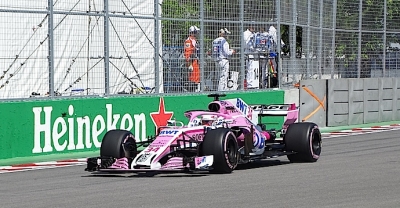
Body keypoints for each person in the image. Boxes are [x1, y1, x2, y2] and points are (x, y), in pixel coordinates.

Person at [184, 25, 201, 91]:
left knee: (197, 77)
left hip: (195, 60)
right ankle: (193, 91)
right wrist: (189, 64)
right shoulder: (188, 41)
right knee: (193, 77)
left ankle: (197, 90)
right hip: (192, 61)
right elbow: (187, 53)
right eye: (195, 32)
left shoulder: (194, 40)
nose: (196, 34)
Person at [243, 23, 256, 89]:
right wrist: (253, 47)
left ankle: (251, 83)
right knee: (249, 69)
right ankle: (249, 84)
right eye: (252, 26)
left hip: (253, 53)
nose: (253, 28)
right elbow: (247, 43)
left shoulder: (254, 34)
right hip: (248, 52)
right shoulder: (245, 33)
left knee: (252, 68)